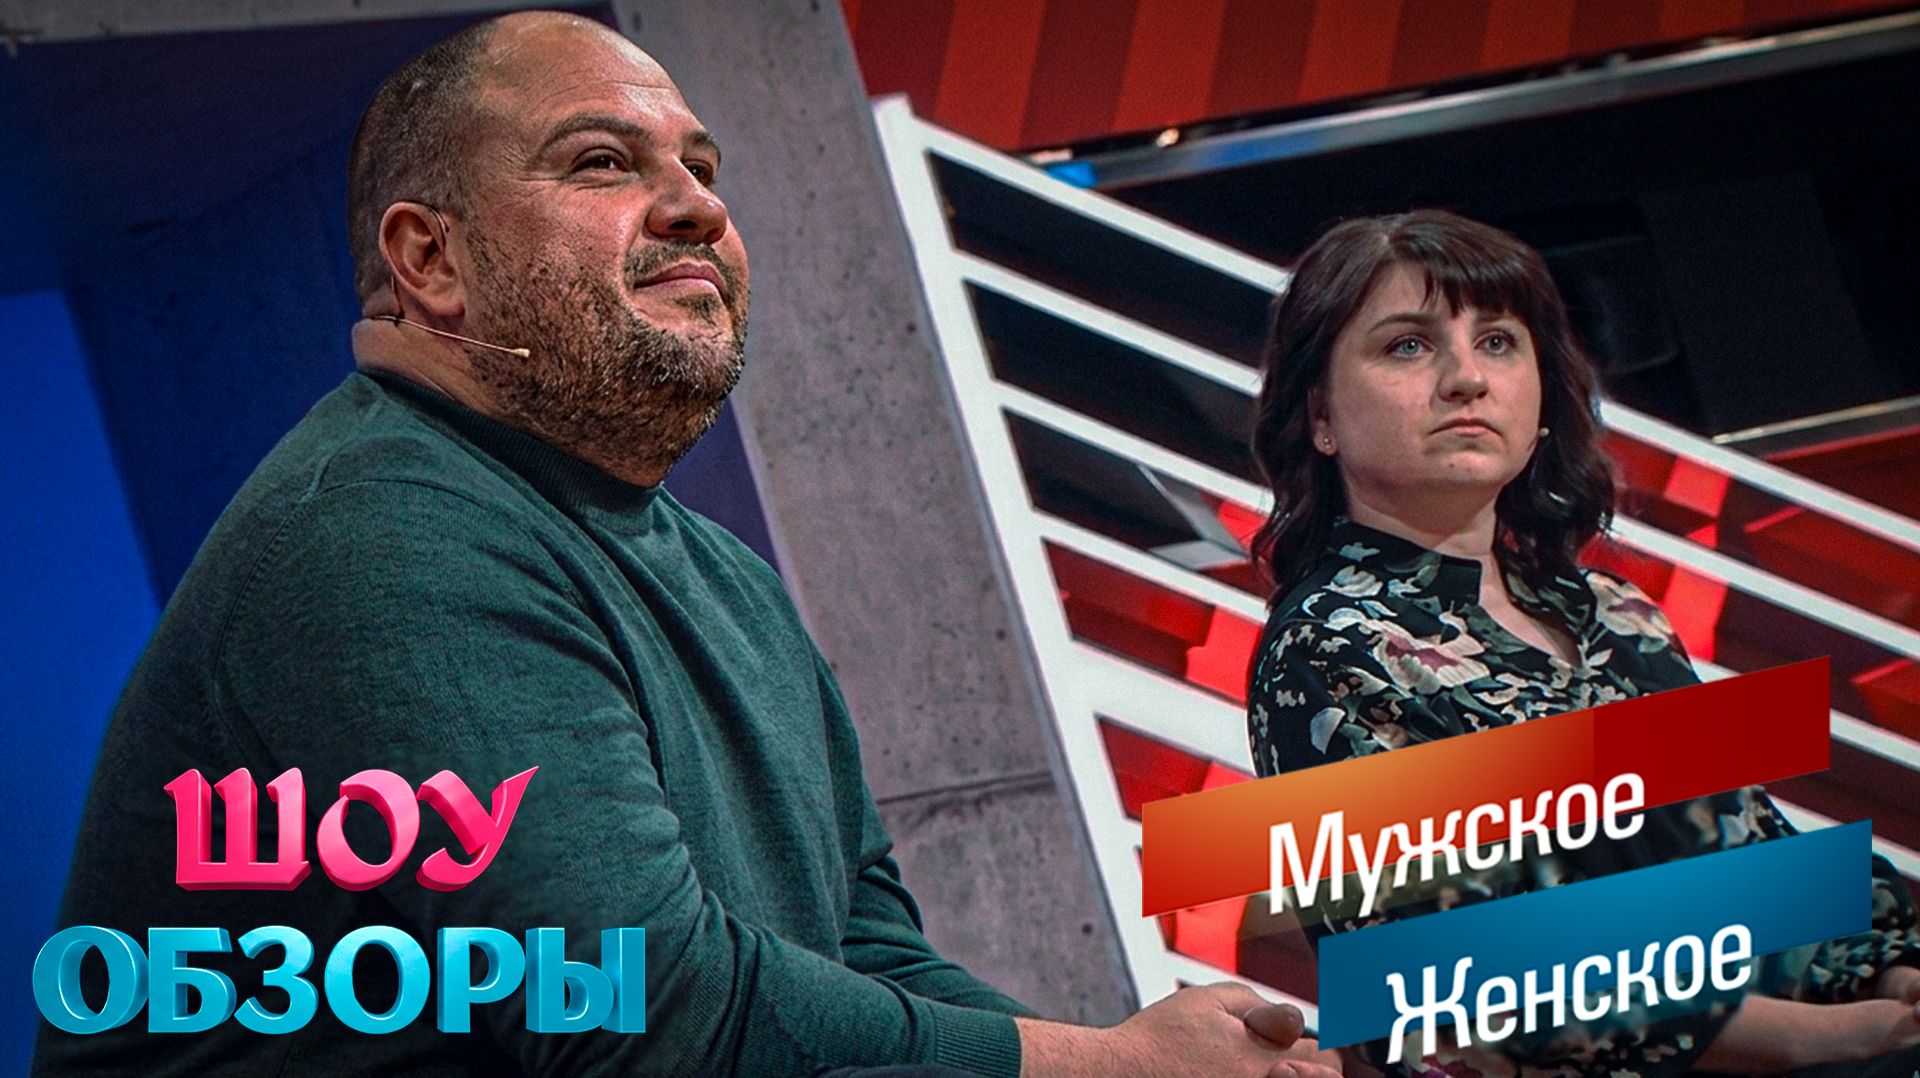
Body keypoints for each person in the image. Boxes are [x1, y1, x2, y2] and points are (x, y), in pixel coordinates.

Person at [33, 11, 1342, 1078]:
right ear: (431, 259)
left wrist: (1140, 1063)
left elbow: (866, 957)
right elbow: (641, 1011)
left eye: (703, 170)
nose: (693, 208)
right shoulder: (382, 536)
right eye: (604, 162)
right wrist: (1103, 1067)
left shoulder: (716, 572)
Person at [1242, 209, 1920, 1076]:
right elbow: (1464, 975)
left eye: (1497, 342)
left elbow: (1753, 857)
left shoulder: (1615, 611)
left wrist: (1892, 976)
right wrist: (1837, 1038)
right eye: (1408, 346)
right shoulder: (1326, 649)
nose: (1465, 379)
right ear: (1320, 416)